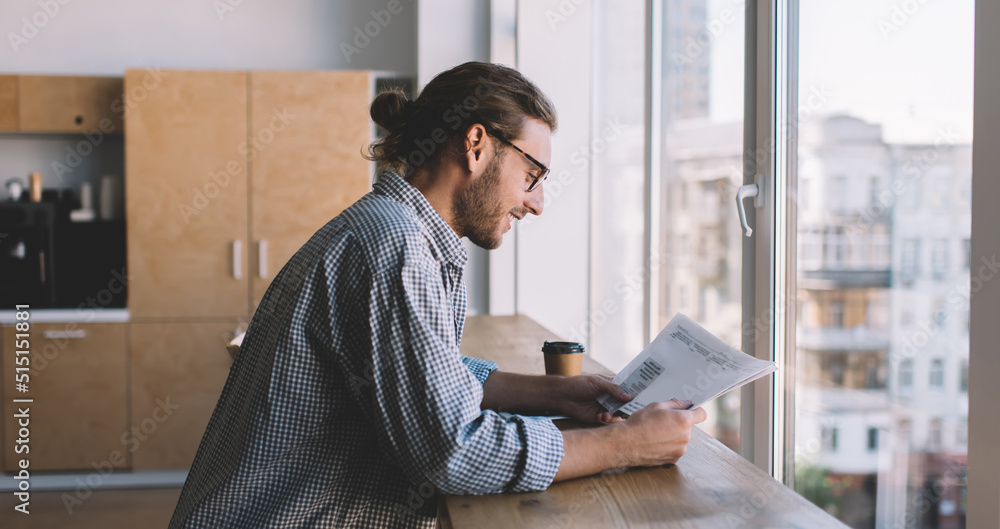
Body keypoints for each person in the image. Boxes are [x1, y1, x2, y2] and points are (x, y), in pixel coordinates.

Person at [168, 62, 707, 529]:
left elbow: (422, 374)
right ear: (476, 146)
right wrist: (625, 446)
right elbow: (451, 451)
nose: (538, 202)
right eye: (532, 173)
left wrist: (553, 394)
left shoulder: (404, 234)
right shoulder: (395, 248)